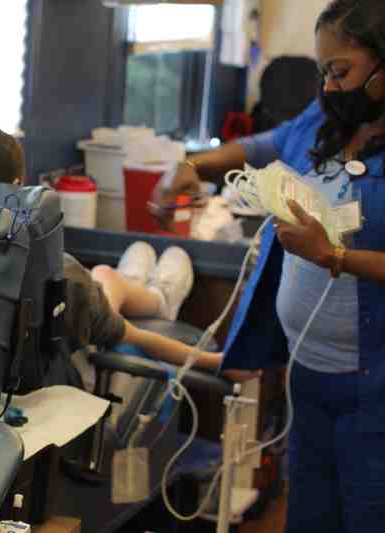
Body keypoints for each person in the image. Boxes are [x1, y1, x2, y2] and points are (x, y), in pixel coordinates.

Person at [158, 1, 385, 530]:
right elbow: (266, 145)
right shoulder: (325, 119)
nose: (329, 87)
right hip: (305, 374)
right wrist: (193, 165)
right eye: (323, 71)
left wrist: (334, 256)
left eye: (341, 71)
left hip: (373, 392)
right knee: (309, 515)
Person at [0, 126, 256, 383]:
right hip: (60, 375)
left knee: (106, 276)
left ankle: (143, 286)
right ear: (18, 185)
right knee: (105, 276)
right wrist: (217, 361)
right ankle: (160, 298)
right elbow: (136, 336)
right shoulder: (52, 272)